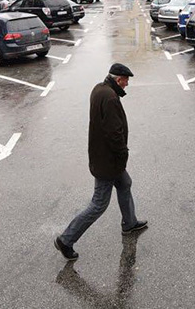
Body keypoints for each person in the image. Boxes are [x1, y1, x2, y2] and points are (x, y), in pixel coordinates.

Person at [55, 63, 147, 261]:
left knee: (125, 183)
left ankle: (129, 223)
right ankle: (65, 240)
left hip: (102, 157)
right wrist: (123, 153)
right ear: (118, 79)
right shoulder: (111, 98)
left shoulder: (99, 89)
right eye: (126, 80)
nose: (127, 84)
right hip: (108, 162)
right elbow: (114, 133)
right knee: (98, 205)